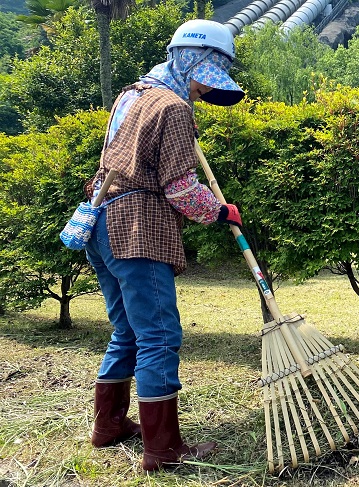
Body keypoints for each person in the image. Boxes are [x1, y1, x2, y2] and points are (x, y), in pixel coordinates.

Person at [84, 19, 245, 471]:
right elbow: (179, 188)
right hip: (138, 228)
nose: (202, 93)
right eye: (205, 79)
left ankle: (109, 427)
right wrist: (218, 211)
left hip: (101, 221)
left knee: (128, 332)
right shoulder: (172, 108)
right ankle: (162, 448)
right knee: (158, 336)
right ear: (193, 61)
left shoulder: (132, 94)